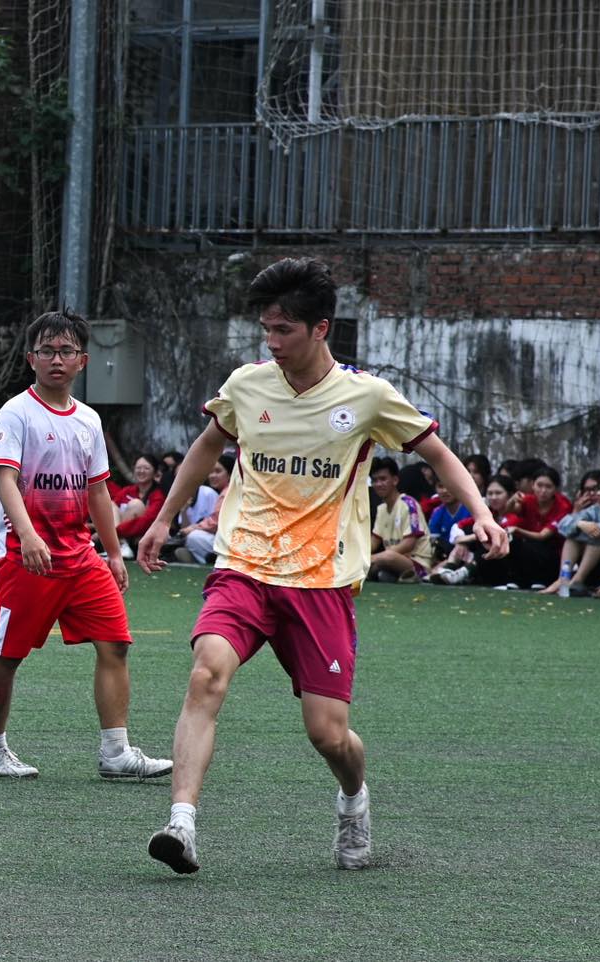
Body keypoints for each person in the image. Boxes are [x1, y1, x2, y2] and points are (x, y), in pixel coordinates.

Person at [135, 257, 506, 874]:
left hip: (321, 582)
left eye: (283, 331)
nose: (271, 342)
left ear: (320, 329)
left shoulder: (367, 397)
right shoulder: (248, 385)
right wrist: (160, 520)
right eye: (266, 330)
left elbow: (438, 454)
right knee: (206, 675)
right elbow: (207, 444)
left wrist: (481, 515)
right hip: (246, 566)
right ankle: (182, 824)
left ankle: (354, 800)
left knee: (328, 735)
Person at [0, 310, 171, 782]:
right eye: (47, 351)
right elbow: (4, 477)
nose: (56, 360)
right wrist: (26, 535)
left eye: (66, 351)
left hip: (81, 557)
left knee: (116, 644)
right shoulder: (16, 412)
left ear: (83, 360)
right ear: (31, 358)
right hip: (27, 560)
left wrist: (111, 552)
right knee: (7, 655)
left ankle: (116, 752)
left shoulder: (88, 419)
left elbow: (99, 491)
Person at [367, 457, 433, 583]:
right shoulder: (381, 509)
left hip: (417, 563)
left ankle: (408, 575)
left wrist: (372, 558)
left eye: (383, 479)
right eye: (375, 480)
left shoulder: (409, 504)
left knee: (387, 556)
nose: (378, 484)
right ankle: (389, 574)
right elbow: (374, 541)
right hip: (394, 560)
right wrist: (360, 555)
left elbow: (409, 544)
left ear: (395, 480)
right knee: (377, 564)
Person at [539, 470, 600, 596]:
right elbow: (562, 526)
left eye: (597, 490)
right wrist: (579, 522)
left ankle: (577, 580)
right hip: (590, 560)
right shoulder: (595, 509)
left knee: (596, 534)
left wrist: (593, 527)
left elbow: (597, 530)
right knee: (573, 536)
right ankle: (564, 579)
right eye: (590, 491)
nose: (596, 494)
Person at [174, 453, 235, 565]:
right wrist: (183, 511)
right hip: (224, 539)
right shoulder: (182, 495)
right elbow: (184, 528)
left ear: (230, 474)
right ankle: (207, 558)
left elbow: (216, 522)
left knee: (193, 537)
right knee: (191, 537)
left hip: (234, 541)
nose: (212, 476)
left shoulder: (214, 493)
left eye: (218, 471)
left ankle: (211, 560)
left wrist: (194, 528)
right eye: (210, 472)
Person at [109, 454, 166, 554]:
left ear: (155, 473)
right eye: (138, 468)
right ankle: (120, 544)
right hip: (120, 535)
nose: (141, 471)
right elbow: (110, 510)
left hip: (141, 536)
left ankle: (118, 544)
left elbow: (148, 521)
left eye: (146, 468)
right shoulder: (127, 491)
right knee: (111, 504)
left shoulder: (158, 495)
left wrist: (114, 531)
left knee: (136, 504)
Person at [424, 476, 471, 568]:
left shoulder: (470, 509)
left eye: (449, 486)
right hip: (444, 555)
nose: (445, 490)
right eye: (440, 486)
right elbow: (434, 541)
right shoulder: (437, 512)